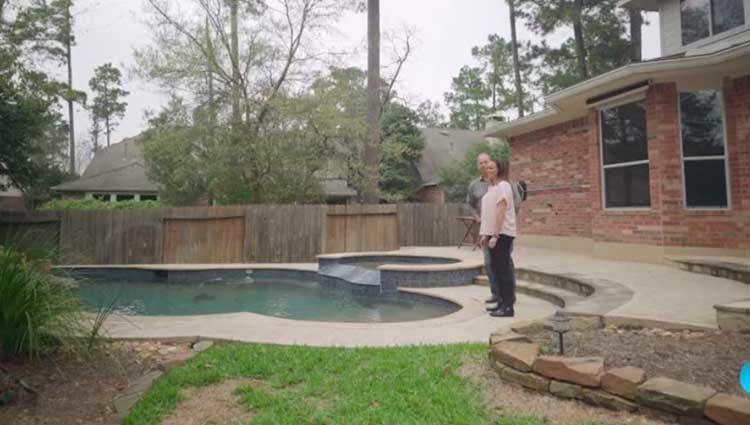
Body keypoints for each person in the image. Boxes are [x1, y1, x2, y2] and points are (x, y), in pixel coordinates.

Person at [478, 159, 517, 317]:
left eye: (492, 167)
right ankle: (501, 303)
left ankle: (508, 307)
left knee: (503, 271)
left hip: (503, 234)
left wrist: (495, 235)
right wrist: (484, 234)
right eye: (486, 168)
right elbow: (488, 214)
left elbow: (501, 211)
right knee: (496, 270)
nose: (488, 170)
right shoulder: (491, 188)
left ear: (499, 169)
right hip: (492, 234)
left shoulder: (504, 186)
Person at [465, 153, 499, 308]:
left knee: (505, 262)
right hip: (484, 229)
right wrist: (476, 217)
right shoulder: (474, 185)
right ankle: (495, 293)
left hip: (501, 229)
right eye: (481, 163)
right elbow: (470, 204)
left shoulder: (502, 182)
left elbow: (515, 202)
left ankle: (508, 294)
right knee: (489, 262)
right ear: (478, 166)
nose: (484, 165)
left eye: (487, 162)